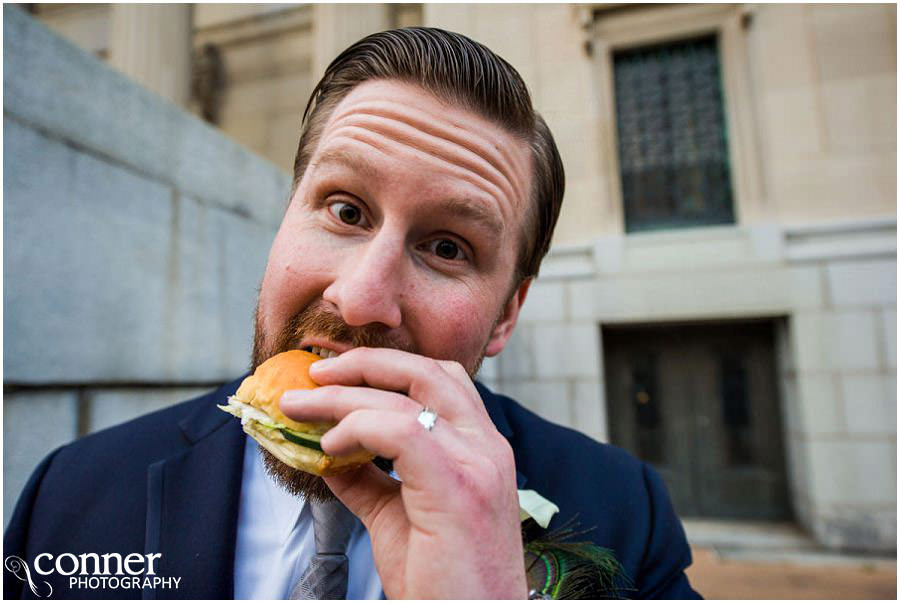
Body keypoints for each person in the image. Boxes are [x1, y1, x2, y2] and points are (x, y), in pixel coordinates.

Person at [4, 28, 700, 599]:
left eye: (448, 246)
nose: (362, 296)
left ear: (505, 315)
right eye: (345, 209)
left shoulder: (624, 515)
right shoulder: (69, 496)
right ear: (285, 220)